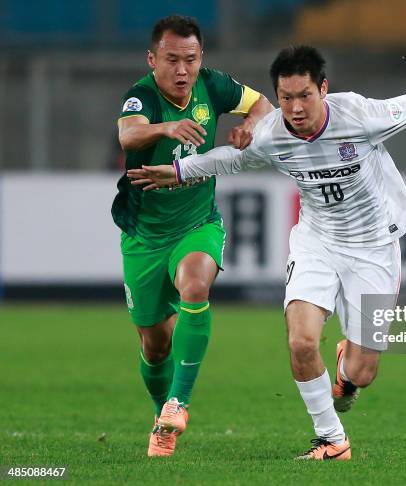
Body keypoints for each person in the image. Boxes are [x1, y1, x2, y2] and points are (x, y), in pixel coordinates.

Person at [128, 45, 406, 460]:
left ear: (323, 89)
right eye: (285, 97)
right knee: (300, 342)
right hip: (316, 242)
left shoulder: (358, 116)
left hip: (373, 248)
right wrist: (179, 171)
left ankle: (347, 372)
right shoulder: (272, 133)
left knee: (363, 373)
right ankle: (332, 440)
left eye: (304, 95)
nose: (295, 107)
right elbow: (230, 161)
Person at [111, 15, 273, 457]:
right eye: (171, 60)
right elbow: (128, 136)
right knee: (154, 342)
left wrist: (250, 128)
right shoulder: (141, 96)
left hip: (197, 223)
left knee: (196, 284)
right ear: (152, 59)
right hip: (144, 235)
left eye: (191, 60)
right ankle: (162, 413)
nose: (182, 71)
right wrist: (166, 128)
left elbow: (263, 106)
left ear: (201, 59)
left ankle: (179, 403)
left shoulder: (213, 85)